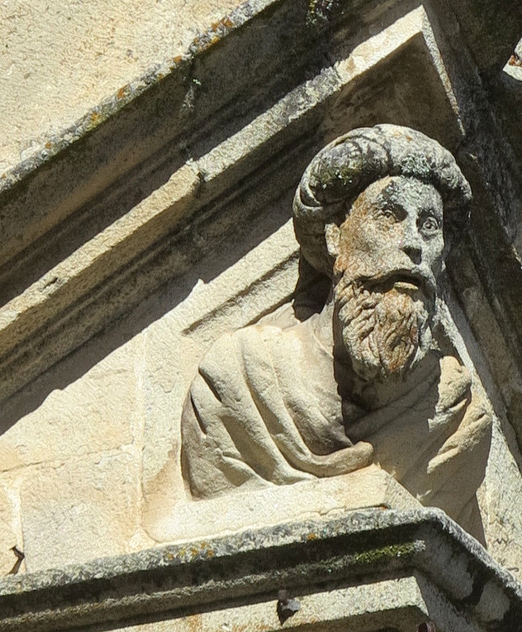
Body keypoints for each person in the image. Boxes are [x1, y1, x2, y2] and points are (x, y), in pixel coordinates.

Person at [181, 125, 492, 535]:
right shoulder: (239, 380)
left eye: (429, 225)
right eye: (390, 216)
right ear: (335, 237)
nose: (414, 243)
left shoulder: (456, 418)